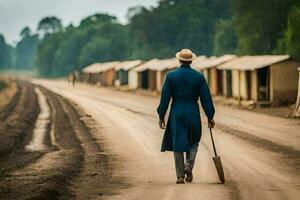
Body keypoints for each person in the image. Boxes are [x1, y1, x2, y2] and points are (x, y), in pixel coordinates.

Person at [157, 49, 215, 184]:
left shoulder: (171, 76)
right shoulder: (199, 77)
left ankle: (179, 176)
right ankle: (188, 166)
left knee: (178, 142)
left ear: (179, 60)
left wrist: (161, 116)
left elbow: (165, 98)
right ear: (191, 61)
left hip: (177, 112)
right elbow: (206, 98)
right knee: (194, 140)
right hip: (192, 111)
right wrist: (210, 116)